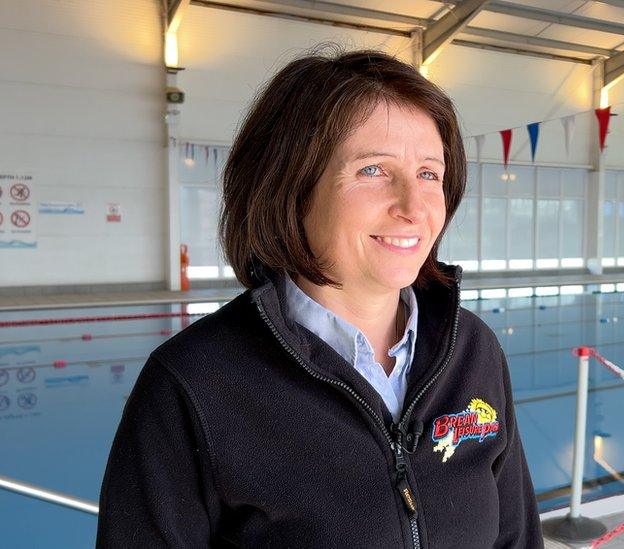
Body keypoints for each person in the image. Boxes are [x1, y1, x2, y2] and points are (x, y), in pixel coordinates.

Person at [97, 47, 543, 548]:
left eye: (428, 174)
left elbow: (516, 539)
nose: (413, 207)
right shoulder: (195, 384)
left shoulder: (472, 351)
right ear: (291, 188)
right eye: (373, 170)